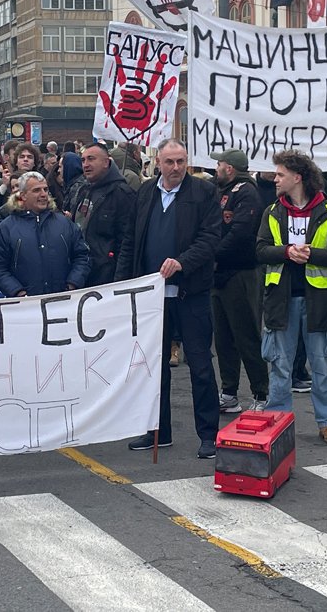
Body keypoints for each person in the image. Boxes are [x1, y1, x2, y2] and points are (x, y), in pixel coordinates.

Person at [116, 139, 222, 459]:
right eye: (170, 162)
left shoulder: (203, 193)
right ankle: (157, 430)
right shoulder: (146, 192)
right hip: (152, 298)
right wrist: (123, 285)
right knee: (153, 369)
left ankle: (208, 435)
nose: (176, 168)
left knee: (200, 367)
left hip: (191, 294)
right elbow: (131, 241)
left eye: (181, 161)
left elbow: (211, 238)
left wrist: (183, 262)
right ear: (157, 162)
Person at [256, 150, 327, 444]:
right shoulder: (272, 211)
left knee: (321, 364)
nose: (275, 178)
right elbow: (260, 250)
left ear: (297, 177)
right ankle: (279, 421)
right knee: (280, 364)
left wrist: (310, 254)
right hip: (281, 299)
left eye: (280, 174)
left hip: (318, 299)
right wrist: (285, 252)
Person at [210, 149, 268, 415]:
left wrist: (211, 253)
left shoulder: (247, 193)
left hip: (241, 272)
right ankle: (229, 392)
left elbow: (240, 233)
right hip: (219, 274)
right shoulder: (220, 190)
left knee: (246, 335)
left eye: (219, 164)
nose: (216, 168)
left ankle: (261, 392)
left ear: (230, 168)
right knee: (223, 338)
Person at [0, 172, 89, 297]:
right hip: (25, 308)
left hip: (64, 303)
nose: (43, 194)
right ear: (23, 196)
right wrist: (17, 292)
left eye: (45, 189)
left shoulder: (64, 224)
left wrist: (73, 283)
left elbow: (82, 256)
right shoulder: (6, 228)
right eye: (36, 190)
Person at [68, 143, 135, 287]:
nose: (86, 164)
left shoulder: (121, 193)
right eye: (83, 160)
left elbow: (127, 241)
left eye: (91, 159)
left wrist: (119, 280)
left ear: (106, 162)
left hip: (107, 277)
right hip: (81, 274)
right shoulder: (83, 190)